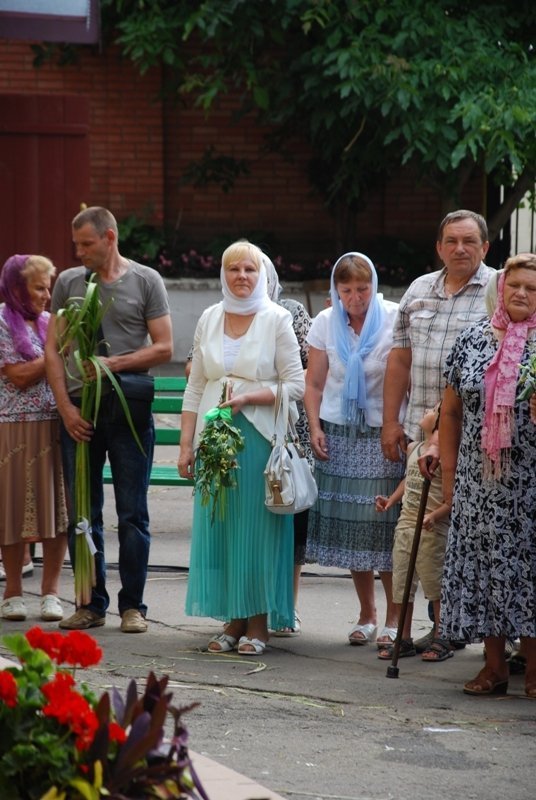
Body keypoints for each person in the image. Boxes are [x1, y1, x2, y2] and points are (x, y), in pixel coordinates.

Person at [45, 206, 173, 633]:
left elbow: (164, 347)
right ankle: (89, 603)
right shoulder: (68, 283)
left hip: (128, 409)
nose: (79, 251)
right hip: (80, 411)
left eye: (86, 244)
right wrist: (65, 409)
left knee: (133, 511)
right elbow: (54, 351)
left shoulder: (145, 281)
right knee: (82, 512)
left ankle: (133, 606)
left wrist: (112, 365)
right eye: (76, 244)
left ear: (110, 237)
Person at [178, 240, 304, 656]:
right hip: (215, 440)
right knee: (224, 530)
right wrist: (185, 446)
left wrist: (250, 397)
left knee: (257, 532)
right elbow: (196, 385)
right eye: (234, 269)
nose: (242, 277)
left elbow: (296, 385)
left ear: (262, 273)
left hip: (258, 439)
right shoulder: (210, 317)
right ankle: (232, 619)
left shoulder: (277, 318)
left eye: (250, 269)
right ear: (223, 275)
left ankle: (260, 622)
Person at [381, 209, 494, 650]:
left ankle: (453, 631)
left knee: (464, 541)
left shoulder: (499, 289)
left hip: (478, 442)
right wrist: (391, 422)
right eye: (451, 241)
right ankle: (409, 632)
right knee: (414, 534)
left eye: (469, 241)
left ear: (486, 247)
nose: (460, 249)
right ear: (439, 247)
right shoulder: (419, 289)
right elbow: (400, 359)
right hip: (419, 435)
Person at [439, 253, 536, 697]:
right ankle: (494, 666)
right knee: (485, 570)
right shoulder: (473, 339)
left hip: (530, 483)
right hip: (479, 482)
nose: (520, 293)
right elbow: (451, 411)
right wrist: (447, 471)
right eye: (513, 284)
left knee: (528, 570)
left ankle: (534, 669)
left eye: (531, 288)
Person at [304, 252, 405, 647]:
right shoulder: (325, 322)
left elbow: (406, 378)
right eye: (346, 290)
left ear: (374, 285)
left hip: (384, 434)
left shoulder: (395, 317)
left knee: (384, 526)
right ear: (336, 290)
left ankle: (397, 617)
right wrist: (314, 425)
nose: (356, 297)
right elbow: (313, 383)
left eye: (362, 288)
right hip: (339, 433)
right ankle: (367, 614)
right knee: (352, 530)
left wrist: (403, 430)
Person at [0, 254, 68, 622]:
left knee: (54, 511)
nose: (47, 295)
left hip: (52, 424)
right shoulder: (0, 322)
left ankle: (51, 593)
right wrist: (56, 353)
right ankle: (12, 592)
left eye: (49, 287)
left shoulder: (48, 323)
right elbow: (18, 376)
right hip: (12, 426)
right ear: (16, 288)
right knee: (11, 510)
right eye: (39, 287)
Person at [375, 404, 452, 661]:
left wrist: (434, 515)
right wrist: (390, 500)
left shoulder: (448, 454)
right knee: (402, 584)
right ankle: (403, 637)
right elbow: (408, 480)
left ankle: (442, 637)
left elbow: (451, 499)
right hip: (406, 524)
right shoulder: (413, 449)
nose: (427, 410)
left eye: (433, 409)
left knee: (434, 584)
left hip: (430, 527)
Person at [264, 255, 312, 636]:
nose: (248, 278)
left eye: (256, 271)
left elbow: (310, 363)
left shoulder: (290, 310)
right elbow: (193, 365)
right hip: (243, 427)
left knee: (290, 515)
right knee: (252, 520)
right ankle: (251, 607)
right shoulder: (220, 313)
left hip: (287, 430)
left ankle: (288, 606)